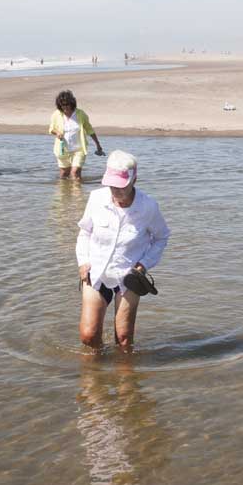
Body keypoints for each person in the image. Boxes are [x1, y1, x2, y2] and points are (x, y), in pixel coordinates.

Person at [76, 150, 170, 351]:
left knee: (124, 338)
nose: (116, 191)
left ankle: (124, 369)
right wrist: (83, 261)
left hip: (128, 276)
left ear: (134, 179)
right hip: (96, 272)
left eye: (121, 186)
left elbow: (161, 237)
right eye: (112, 185)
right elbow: (84, 232)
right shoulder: (96, 199)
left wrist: (143, 264)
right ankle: (97, 367)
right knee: (89, 336)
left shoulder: (148, 207)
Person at [48, 90, 104, 179]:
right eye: (62, 105)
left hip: (79, 149)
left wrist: (98, 145)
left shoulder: (80, 114)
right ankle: (64, 188)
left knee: (75, 172)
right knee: (64, 173)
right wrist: (57, 133)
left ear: (72, 103)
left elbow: (89, 130)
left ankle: (77, 188)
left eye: (67, 104)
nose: (65, 107)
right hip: (62, 149)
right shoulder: (56, 114)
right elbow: (51, 129)